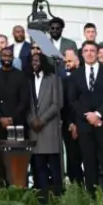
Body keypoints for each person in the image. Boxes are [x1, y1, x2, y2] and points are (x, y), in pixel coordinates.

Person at [68, 40, 103, 201]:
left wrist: (97, 114)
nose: (89, 53)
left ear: (97, 53)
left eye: (92, 50)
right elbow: (73, 99)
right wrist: (88, 115)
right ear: (82, 54)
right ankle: (92, 200)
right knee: (89, 164)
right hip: (85, 127)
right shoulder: (76, 74)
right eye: (86, 51)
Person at [0, 47, 30, 186]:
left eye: (9, 55)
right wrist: (0, 118)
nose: (7, 57)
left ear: (13, 58)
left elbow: (24, 100)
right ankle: (1, 187)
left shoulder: (21, 76)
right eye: (4, 55)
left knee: (17, 156)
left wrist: (11, 118)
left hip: (17, 123)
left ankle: (18, 187)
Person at [27, 52, 63, 196]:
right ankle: (42, 197)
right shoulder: (28, 80)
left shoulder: (53, 79)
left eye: (37, 60)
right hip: (34, 129)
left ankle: (57, 196)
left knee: (54, 167)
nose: (34, 63)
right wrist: (31, 120)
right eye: (32, 61)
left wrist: (42, 120)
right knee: (38, 166)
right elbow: (26, 103)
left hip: (49, 128)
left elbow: (57, 103)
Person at [57, 48, 83, 186]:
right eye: (65, 61)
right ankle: (75, 188)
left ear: (77, 62)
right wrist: (71, 123)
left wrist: (77, 122)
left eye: (70, 61)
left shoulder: (83, 77)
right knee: (72, 158)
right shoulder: (63, 79)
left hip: (84, 123)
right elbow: (64, 104)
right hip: (68, 124)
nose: (67, 63)